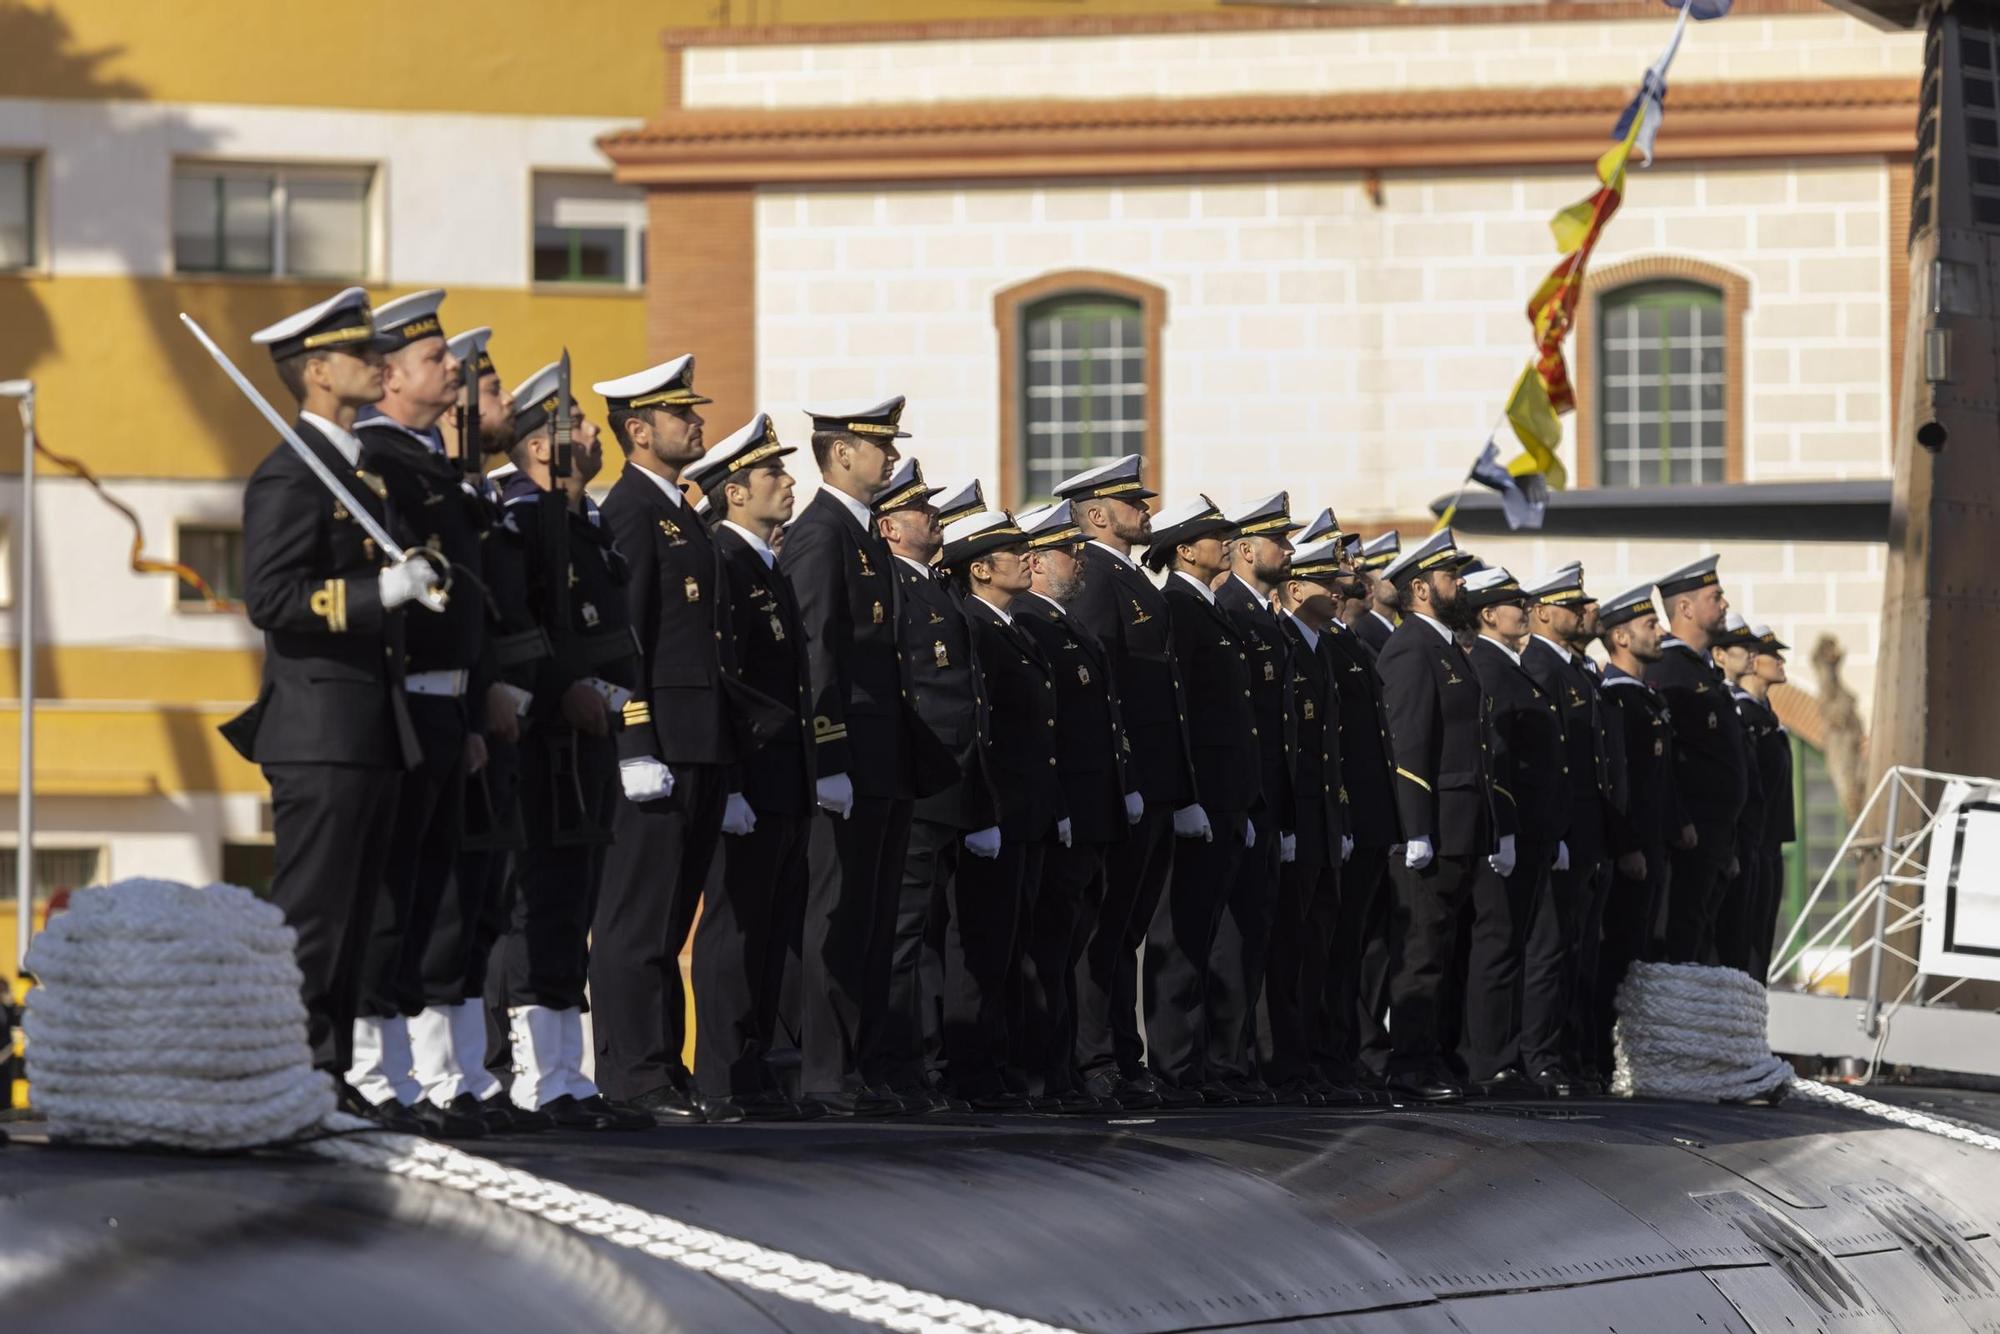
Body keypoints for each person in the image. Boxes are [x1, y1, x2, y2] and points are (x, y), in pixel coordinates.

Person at [226, 288, 440, 1126]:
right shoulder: (290, 470)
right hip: (319, 727)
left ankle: (327, 1071)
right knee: (314, 914)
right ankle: (289, 1069)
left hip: (368, 726)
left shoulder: (355, 472)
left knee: (357, 913)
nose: (379, 365)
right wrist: (374, 591)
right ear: (317, 372)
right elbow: (272, 598)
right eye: (362, 355)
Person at [488, 360, 651, 1131]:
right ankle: (535, 1075)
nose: (591, 433)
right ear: (540, 444)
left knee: (574, 899)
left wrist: (618, 691)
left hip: (590, 734)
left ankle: (567, 1075)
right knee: (541, 904)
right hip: (546, 734)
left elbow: (606, 634)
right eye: (576, 423)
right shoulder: (523, 517)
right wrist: (564, 691)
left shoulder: (584, 521)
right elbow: (524, 630)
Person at [586, 355, 745, 1125]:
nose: (699, 425)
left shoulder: (678, 513)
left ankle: (664, 1070)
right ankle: (630, 1076)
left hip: (699, 742)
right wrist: (634, 742)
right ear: (639, 431)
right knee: (636, 921)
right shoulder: (630, 512)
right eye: (683, 416)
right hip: (659, 747)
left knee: (671, 919)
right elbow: (628, 638)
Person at [343, 289, 487, 1139]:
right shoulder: (378, 461)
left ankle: (415, 1072)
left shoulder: (430, 464)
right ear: (390, 377)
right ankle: (369, 1067)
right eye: (436, 359)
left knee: (435, 892)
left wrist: (469, 710)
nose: (454, 370)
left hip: (448, 710)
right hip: (397, 706)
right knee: (390, 893)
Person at [781, 397, 925, 1117]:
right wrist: (827, 756)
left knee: (869, 916)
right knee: (835, 916)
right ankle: (823, 1071)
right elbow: (816, 654)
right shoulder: (820, 535)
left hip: (882, 758)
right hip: (847, 759)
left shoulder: (861, 535)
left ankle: (857, 1067)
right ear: (841, 454)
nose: (890, 459)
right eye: (879, 448)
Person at [415, 323, 539, 1132]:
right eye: (489, 390)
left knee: (480, 905)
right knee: (438, 901)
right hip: (444, 717)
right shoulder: (433, 485)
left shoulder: (480, 494)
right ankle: (425, 1073)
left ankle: (465, 1072)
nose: (501, 403)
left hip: (492, 723)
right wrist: (476, 700)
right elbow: (446, 625)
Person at [683, 413, 821, 1118]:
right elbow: (724, 680)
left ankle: (764, 1065)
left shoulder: (767, 563)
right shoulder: (722, 561)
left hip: (785, 776)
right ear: (735, 492)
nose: (788, 481)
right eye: (773, 473)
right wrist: (730, 782)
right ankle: (725, 1075)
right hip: (748, 775)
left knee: (776, 927)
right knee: (735, 928)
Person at [1052, 454, 1185, 1110]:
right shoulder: (1099, 579)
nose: (1148, 511)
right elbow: (1102, 695)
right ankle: (1097, 1057)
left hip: (1154, 785)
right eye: (1135, 504)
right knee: (1104, 931)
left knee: (1127, 929)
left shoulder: (1129, 579)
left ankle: (1121, 1055)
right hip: (1127, 784)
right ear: (1099, 514)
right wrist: (1127, 774)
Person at [935, 508, 1065, 1109]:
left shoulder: (1011, 627)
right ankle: (974, 1069)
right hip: (994, 812)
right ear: (981, 569)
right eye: (1015, 552)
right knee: (981, 946)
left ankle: (1005, 1063)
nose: (1028, 559)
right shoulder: (975, 628)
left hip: (1027, 811)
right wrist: (982, 812)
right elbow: (981, 730)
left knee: (1012, 945)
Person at [874, 463, 991, 1113]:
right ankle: (900, 1065)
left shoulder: (935, 587)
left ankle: (924, 1065)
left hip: (952, 786)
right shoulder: (894, 586)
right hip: (920, 784)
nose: (935, 518)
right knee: (903, 936)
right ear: (890, 527)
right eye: (921, 511)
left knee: (932, 933)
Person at [1010, 500, 1130, 1112]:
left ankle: (1062, 1070)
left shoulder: (1066, 624)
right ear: (1032, 561)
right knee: (1048, 948)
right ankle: (1046, 1072)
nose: (1078, 558)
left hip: (1092, 813)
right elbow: (1044, 733)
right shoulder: (1029, 622)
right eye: (1066, 550)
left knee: (1074, 943)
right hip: (1063, 814)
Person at [1374, 527, 1496, 1103]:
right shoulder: (1410, 647)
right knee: (1421, 951)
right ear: (1420, 588)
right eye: (1452, 576)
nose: (1462, 585)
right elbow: (1409, 743)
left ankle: (1438, 1057)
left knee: (1447, 947)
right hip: (1435, 827)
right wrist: (1415, 825)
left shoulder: (1446, 645)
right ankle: (1410, 1064)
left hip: (1462, 826)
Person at [1142, 495, 1257, 1106]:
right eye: (1218, 536)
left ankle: (1207, 1061)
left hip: (1227, 796)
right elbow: (1180, 714)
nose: (1228, 545)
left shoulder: (1209, 609)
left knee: (1213, 931)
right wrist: (1190, 796)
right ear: (1186, 549)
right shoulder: (1178, 609)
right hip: (1201, 798)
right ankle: (1174, 1062)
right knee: (1180, 932)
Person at [1457, 566, 1564, 1098]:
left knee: (1519, 946)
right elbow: (1494, 759)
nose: (1523, 608)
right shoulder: (1490, 669)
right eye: (1510, 602)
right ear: (1486, 614)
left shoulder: (1511, 665)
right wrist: (1505, 828)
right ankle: (1489, 1060)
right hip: (1508, 831)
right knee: (1497, 947)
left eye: (1524, 600)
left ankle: (1510, 1055)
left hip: (1531, 831)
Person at [1211, 493, 1301, 1103]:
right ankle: (1224, 1060)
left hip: (1266, 801)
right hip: (1240, 799)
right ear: (1246, 551)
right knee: (1230, 938)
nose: (1288, 551)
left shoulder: (1262, 615)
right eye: (1279, 541)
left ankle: (1243, 1059)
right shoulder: (1230, 610)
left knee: (1258, 935)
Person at [1518, 565, 1613, 1095]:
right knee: (1549, 947)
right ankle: (1540, 1055)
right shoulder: (1541, 666)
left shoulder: (1574, 670)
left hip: (1583, 834)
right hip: (1560, 832)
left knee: (1573, 948)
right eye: (1572, 607)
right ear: (1545, 612)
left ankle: (1566, 1053)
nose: (1582, 615)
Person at [1263, 536, 1351, 1103]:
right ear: (1295, 589)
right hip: (1293, 818)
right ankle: (1283, 1062)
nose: (1341, 591)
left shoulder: (1320, 646)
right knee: (1287, 946)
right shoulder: (1286, 640)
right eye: (1328, 582)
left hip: (1321, 819)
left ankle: (1309, 1059)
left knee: (1317, 943)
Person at [1592, 582, 1688, 1069]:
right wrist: (1627, 845)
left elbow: (1660, 781)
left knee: (1643, 951)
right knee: (1618, 953)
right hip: (1628, 851)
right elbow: (1616, 784)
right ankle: (1600, 1056)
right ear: (1622, 639)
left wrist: (1677, 826)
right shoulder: (1618, 700)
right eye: (1650, 625)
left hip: (1654, 849)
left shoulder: (1644, 699)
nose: (1661, 631)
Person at [1647, 556, 1749, 965]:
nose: (1724, 604)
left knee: (1702, 944)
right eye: (1715, 596)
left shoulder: (1702, 669)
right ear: (1685, 608)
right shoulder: (1669, 667)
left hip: (1717, 835)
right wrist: (1681, 820)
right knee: (1679, 943)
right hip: (1689, 836)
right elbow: (1664, 758)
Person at [1731, 624, 1796, 982]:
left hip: (1771, 842)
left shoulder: (1766, 716)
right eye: (1774, 655)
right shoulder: (1743, 714)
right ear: (1754, 663)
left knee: (1761, 941)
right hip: (1752, 843)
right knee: (1746, 943)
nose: (1781, 661)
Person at [1352, 531, 1402, 655]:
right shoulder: (1362, 631)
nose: (1396, 577)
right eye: (1388, 571)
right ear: (1367, 581)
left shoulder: (1397, 630)